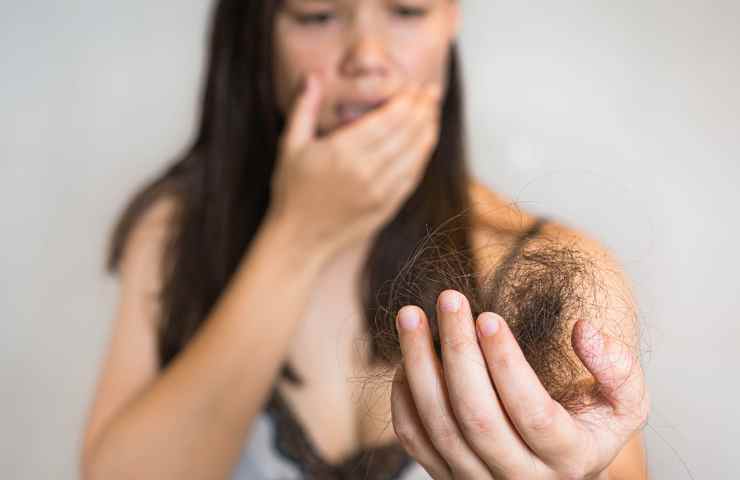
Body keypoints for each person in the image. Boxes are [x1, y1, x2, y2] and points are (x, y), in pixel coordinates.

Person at [79, 1, 650, 479]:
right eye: (317, 15)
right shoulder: (178, 230)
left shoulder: (554, 272)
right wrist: (296, 236)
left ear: (449, 17)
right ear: (260, 32)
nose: (368, 59)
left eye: (406, 11)